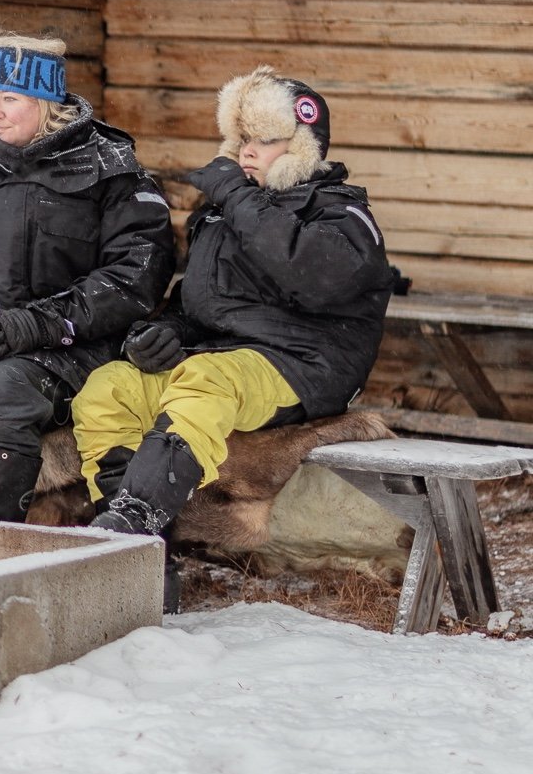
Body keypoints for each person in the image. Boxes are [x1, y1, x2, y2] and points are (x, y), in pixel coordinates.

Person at [72, 66, 396, 606]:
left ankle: (129, 524)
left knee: (204, 378)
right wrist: (163, 334)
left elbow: (307, 275)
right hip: (223, 361)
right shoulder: (223, 213)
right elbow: (196, 302)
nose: (247, 152)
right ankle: (146, 550)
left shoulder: (343, 215)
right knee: (110, 385)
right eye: (243, 138)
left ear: (301, 146)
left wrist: (236, 198)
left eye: (265, 140)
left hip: (303, 365)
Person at [0, 33, 176, 522]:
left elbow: (135, 276)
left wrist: (36, 325)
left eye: (10, 98)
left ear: (47, 104)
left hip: (71, 349)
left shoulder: (109, 170)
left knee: (5, 397)